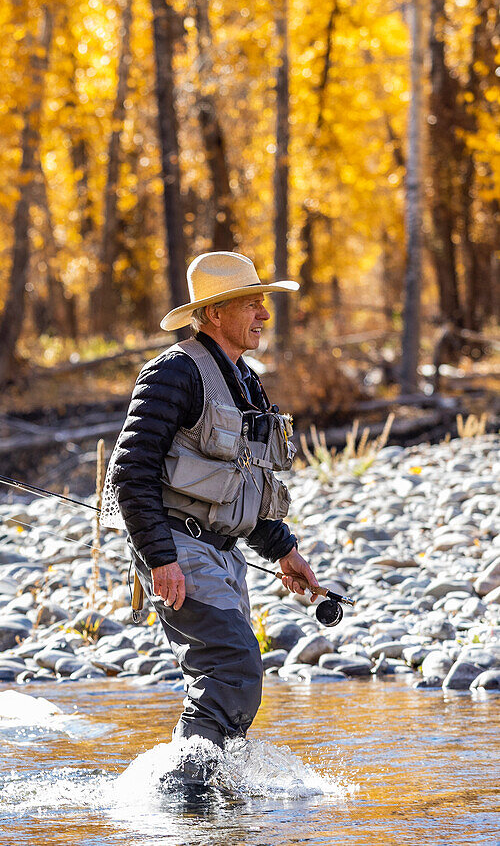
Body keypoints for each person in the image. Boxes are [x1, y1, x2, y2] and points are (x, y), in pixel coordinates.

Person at [106, 251, 320, 784]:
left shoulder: (246, 381)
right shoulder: (174, 373)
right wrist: (160, 559)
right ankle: (185, 796)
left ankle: (199, 794)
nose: (263, 315)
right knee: (231, 666)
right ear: (216, 312)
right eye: (252, 304)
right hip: (180, 548)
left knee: (229, 676)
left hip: (226, 554)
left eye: (262, 304)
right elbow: (130, 472)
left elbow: (247, 483)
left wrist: (284, 550)